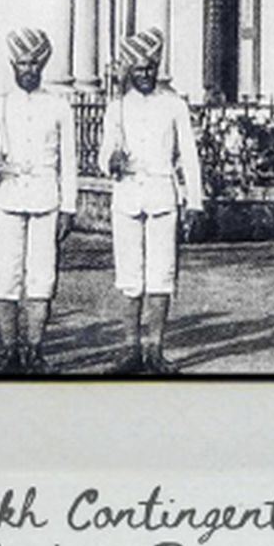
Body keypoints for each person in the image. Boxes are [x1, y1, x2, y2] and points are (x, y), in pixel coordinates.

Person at [100, 29, 204, 376]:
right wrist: (111, 161)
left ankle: (155, 350)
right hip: (127, 196)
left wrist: (195, 202)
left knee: (162, 277)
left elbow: (188, 154)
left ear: (157, 67)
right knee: (130, 277)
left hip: (163, 197)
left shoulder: (174, 105)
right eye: (138, 69)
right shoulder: (116, 107)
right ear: (129, 69)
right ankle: (131, 349)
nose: (144, 74)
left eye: (150, 68)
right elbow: (104, 153)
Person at [0, 26, 78, 376]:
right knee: (5, 276)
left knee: (41, 277)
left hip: (46, 200)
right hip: (6, 199)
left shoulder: (59, 106)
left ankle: (34, 349)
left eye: (35, 64)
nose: (28, 70)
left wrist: (68, 208)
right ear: (12, 64)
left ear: (44, 65)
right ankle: (9, 350)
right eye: (22, 64)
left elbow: (69, 160)